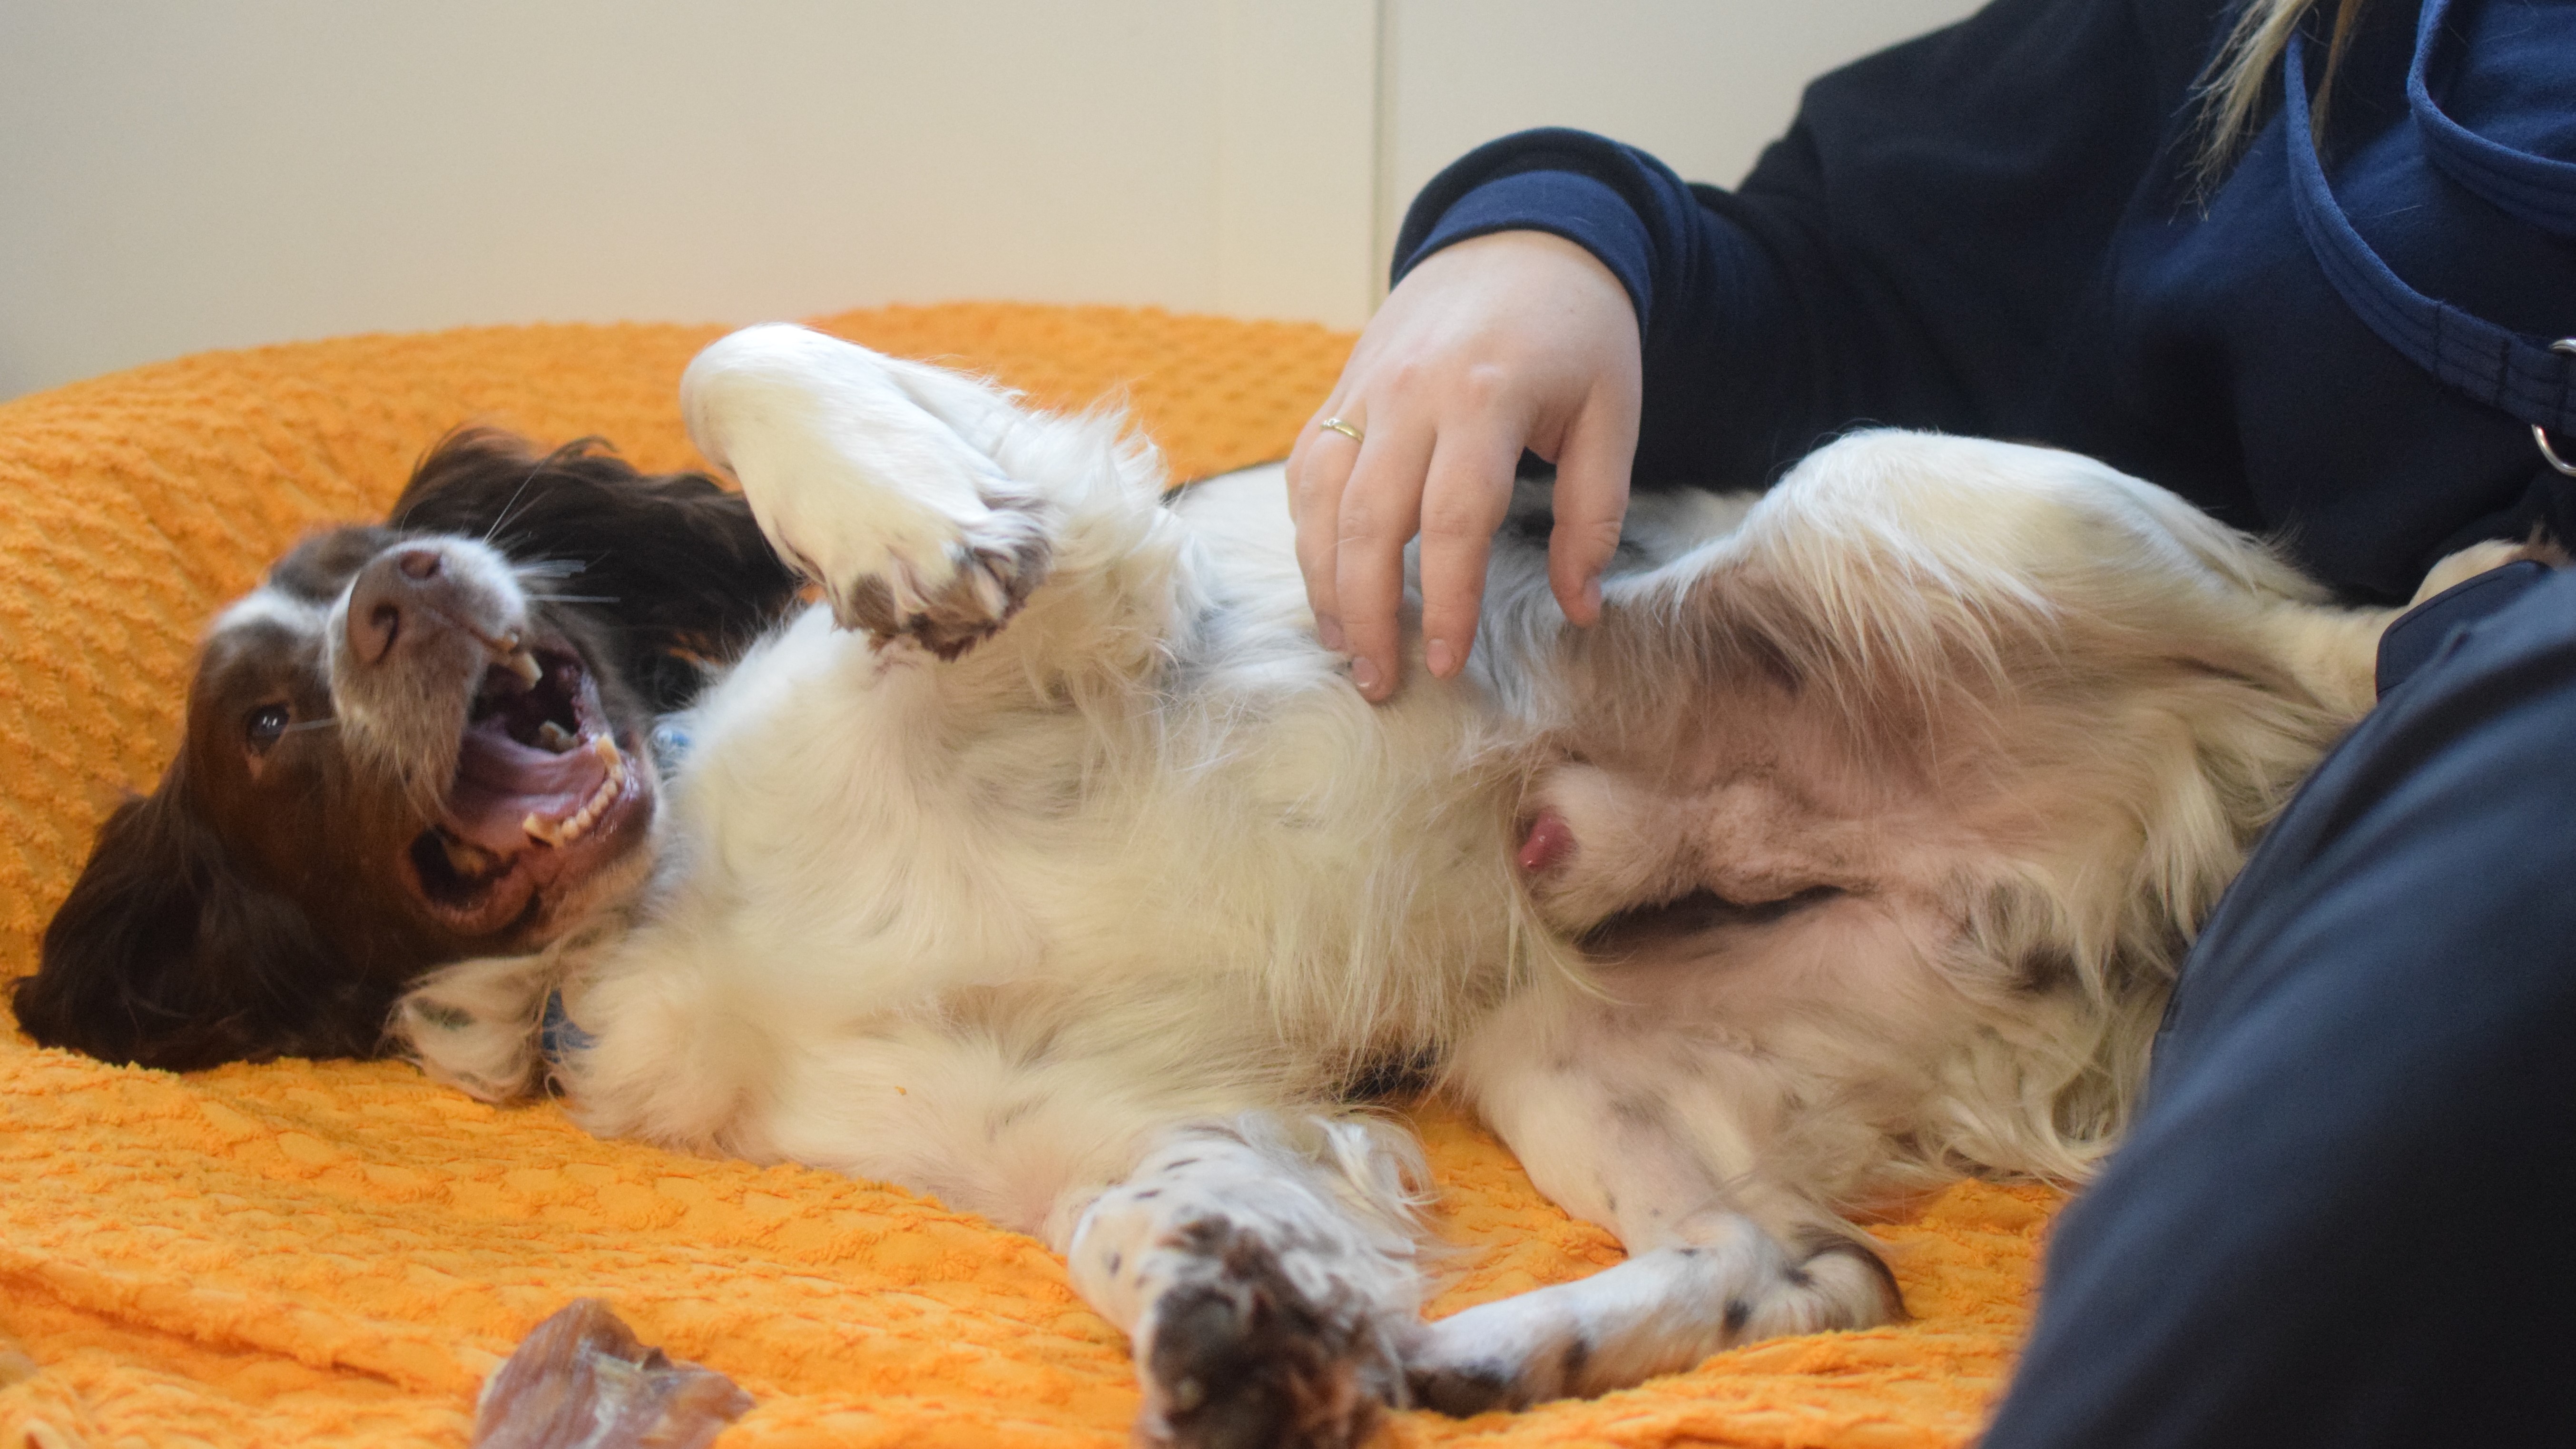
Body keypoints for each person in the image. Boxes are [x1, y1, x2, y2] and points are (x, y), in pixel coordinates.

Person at [1287, 0, 2576, 1442]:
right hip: (2206, 869)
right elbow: (1844, 275)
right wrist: (1545, 239)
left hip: (2401, 755)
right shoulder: (2260, 45)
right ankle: (1752, 1261)